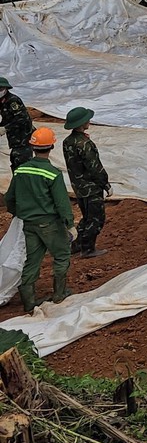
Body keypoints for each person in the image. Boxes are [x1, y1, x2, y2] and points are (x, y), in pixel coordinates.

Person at [5, 127, 72, 311]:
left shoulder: (20, 170)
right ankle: (60, 294)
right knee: (62, 254)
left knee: (32, 260)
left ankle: (29, 304)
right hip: (49, 223)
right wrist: (70, 223)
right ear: (51, 146)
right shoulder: (52, 173)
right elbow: (61, 202)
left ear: (32, 147)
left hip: (29, 224)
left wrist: (18, 212)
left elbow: (9, 198)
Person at [62, 107, 111, 258]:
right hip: (91, 188)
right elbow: (95, 167)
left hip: (79, 187)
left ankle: (76, 245)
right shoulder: (84, 144)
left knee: (86, 217)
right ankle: (88, 249)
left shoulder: (67, 142)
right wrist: (105, 184)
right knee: (96, 219)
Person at [0, 75, 31, 170]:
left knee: (22, 165)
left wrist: (5, 128)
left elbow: (22, 119)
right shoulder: (2, 101)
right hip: (15, 139)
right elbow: (7, 118)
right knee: (15, 163)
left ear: (6, 89)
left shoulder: (13, 101)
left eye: (1, 88)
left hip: (23, 139)